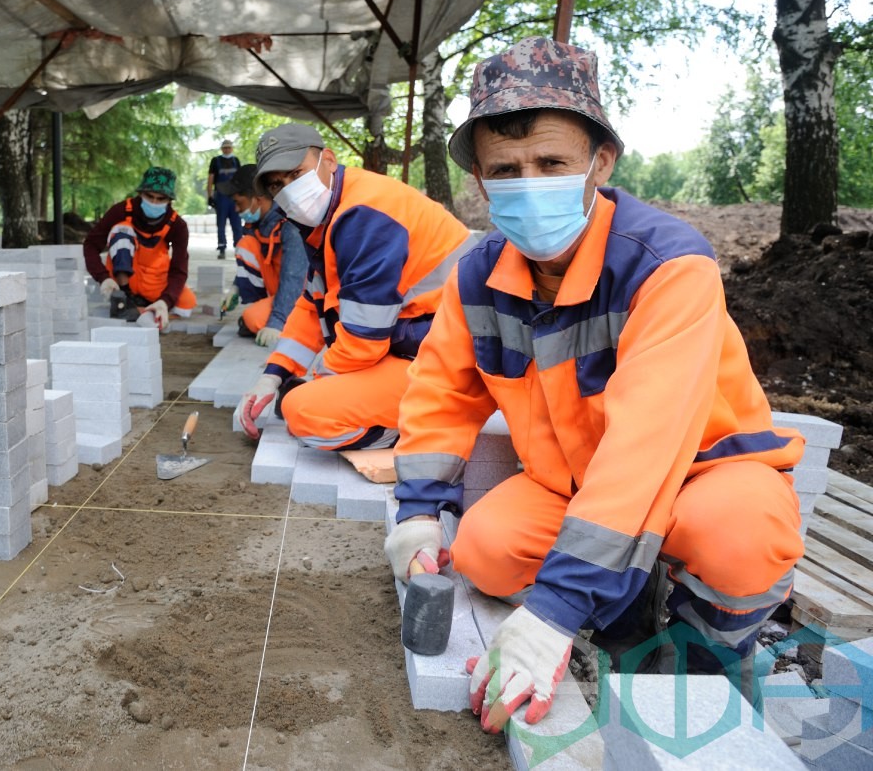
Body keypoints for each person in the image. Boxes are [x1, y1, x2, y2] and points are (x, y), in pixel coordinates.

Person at [383, 37, 805, 734]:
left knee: (737, 535)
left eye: (551, 163)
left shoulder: (667, 266)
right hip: (575, 486)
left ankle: (706, 668)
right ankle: (628, 604)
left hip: (703, 474)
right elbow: (441, 394)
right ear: (482, 183)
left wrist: (550, 613)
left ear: (600, 161)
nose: (527, 183)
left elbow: (644, 453)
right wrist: (419, 512)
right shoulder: (476, 275)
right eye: (505, 170)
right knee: (485, 546)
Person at [234, 124, 474, 450]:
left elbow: (363, 342)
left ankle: (427, 428)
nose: (289, 188)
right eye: (278, 184)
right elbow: (311, 303)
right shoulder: (326, 218)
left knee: (301, 411)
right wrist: (272, 374)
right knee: (296, 396)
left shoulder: (366, 214)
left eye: (296, 173)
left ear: (329, 160)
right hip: (421, 348)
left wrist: (312, 381)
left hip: (454, 363)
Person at [83, 166, 196, 330]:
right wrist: (103, 278)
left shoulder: (178, 226)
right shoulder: (121, 211)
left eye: (161, 199)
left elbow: (179, 270)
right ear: (140, 193)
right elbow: (91, 245)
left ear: (169, 200)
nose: (154, 202)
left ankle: (150, 307)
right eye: (150, 196)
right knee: (122, 230)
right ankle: (125, 299)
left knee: (187, 302)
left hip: (154, 281)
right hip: (123, 278)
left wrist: (165, 301)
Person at [219, 163, 308, 349]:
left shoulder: (290, 226)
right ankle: (271, 311)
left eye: (238, 202)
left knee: (252, 319)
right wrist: (235, 288)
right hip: (279, 291)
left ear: (257, 200)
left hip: (302, 295)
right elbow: (253, 259)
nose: (236, 209)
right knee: (246, 245)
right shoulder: (258, 225)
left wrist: (276, 323)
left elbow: (294, 278)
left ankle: (298, 322)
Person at [206, 138, 242, 259]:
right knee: (221, 224)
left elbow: (240, 179)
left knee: (236, 224)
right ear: (222, 149)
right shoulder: (215, 161)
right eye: (225, 148)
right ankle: (222, 249)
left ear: (232, 148)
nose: (227, 150)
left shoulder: (236, 160)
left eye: (229, 147)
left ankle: (239, 248)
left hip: (234, 197)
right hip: (221, 197)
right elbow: (211, 179)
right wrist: (209, 195)